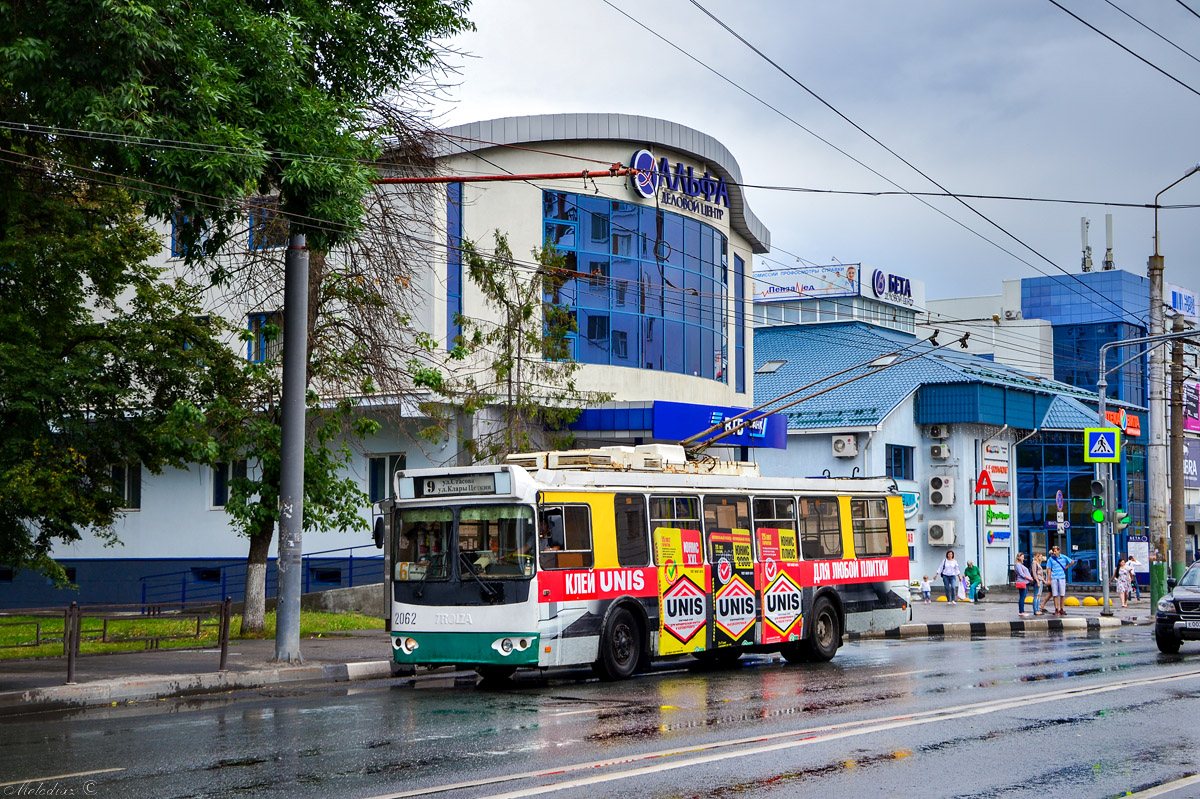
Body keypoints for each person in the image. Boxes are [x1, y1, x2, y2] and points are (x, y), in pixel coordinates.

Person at [1045, 545, 1076, 615]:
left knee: (1062, 594)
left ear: (1059, 551)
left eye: (1055, 551)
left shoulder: (1063, 557)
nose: (1054, 553)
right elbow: (1049, 569)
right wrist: (1049, 579)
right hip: (1054, 578)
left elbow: (1072, 562)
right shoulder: (1051, 559)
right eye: (1053, 551)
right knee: (1055, 594)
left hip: (1061, 577)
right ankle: (1056, 608)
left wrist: (1066, 567)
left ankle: (1062, 608)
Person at [1014, 552, 1034, 617]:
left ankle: (1022, 610)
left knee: (1023, 596)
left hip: (1025, 582)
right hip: (1023, 582)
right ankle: (1021, 611)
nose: (1023, 558)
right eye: (1022, 557)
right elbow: (1022, 574)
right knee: (1022, 597)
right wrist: (1029, 578)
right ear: (1019, 558)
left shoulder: (1020, 565)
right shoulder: (1018, 565)